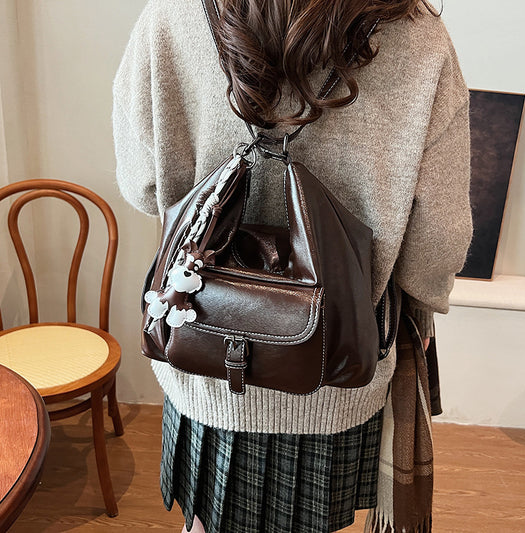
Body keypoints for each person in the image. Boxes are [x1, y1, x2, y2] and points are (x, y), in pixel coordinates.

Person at [112, 0, 473, 531]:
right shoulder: (417, 36)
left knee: (205, 519)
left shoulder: (172, 14)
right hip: (331, 367)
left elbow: (143, 184)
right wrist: (420, 295)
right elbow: (437, 240)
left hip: (200, 346)